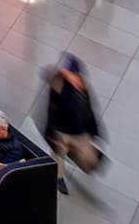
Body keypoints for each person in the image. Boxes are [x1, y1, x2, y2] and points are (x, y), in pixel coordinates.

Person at [40, 53, 102, 193]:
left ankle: (75, 155)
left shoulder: (83, 87)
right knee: (58, 154)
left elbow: (89, 109)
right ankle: (58, 178)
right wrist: (53, 135)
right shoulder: (59, 88)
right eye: (70, 74)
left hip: (79, 130)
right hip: (62, 131)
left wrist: (94, 131)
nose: (74, 78)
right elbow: (52, 112)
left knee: (90, 161)